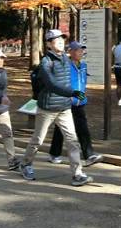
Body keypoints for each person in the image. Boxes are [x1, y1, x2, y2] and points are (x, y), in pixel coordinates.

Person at [19, 29, 94, 187]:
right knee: (38, 140)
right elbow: (51, 84)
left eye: (62, 39)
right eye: (56, 40)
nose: (60, 42)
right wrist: (72, 92)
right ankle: (25, 163)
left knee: (72, 141)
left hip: (64, 107)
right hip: (47, 107)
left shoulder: (67, 60)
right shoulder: (46, 62)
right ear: (49, 44)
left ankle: (77, 174)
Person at [48, 41, 104, 167]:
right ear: (71, 52)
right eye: (78, 50)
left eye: (82, 50)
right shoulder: (65, 64)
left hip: (79, 102)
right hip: (67, 101)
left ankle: (89, 155)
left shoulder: (83, 65)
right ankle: (54, 153)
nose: (81, 52)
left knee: (81, 128)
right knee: (62, 130)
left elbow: (82, 82)